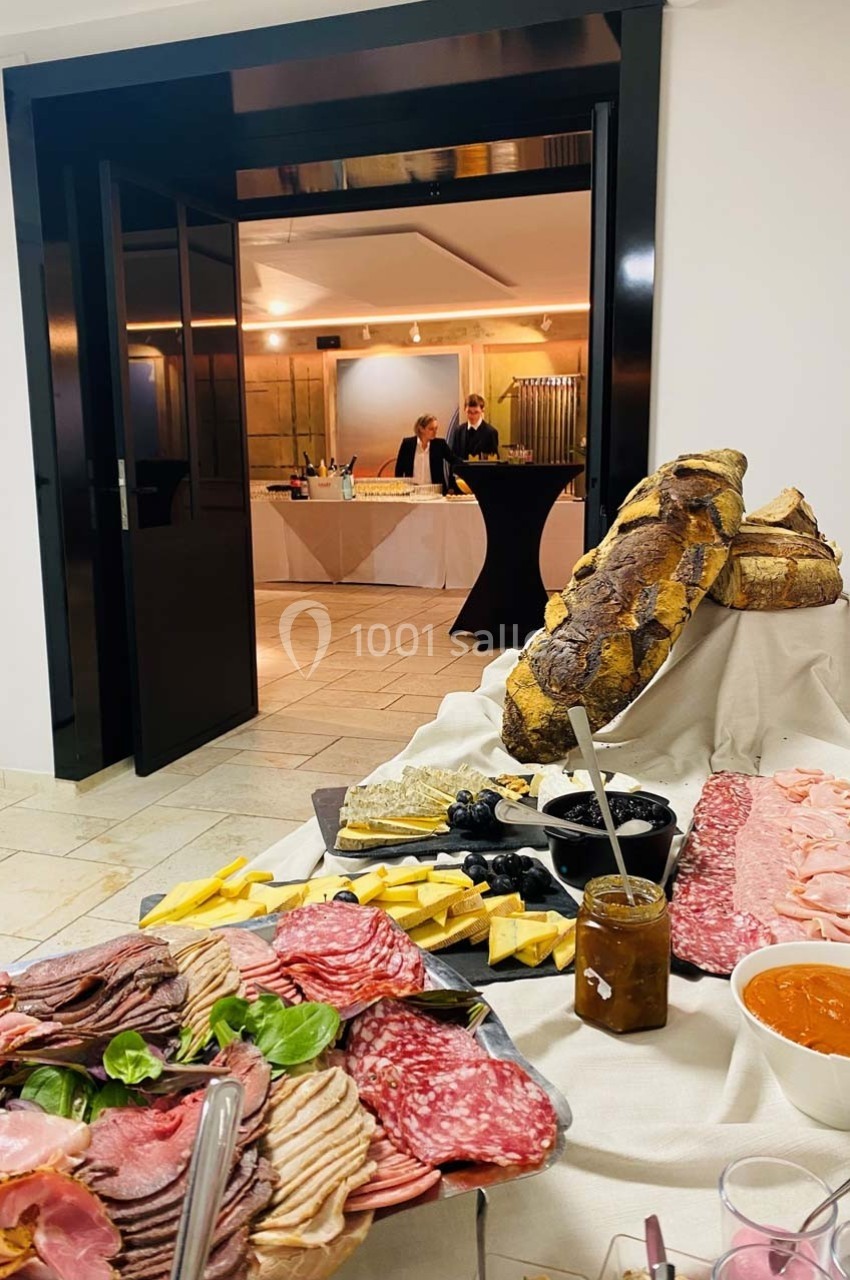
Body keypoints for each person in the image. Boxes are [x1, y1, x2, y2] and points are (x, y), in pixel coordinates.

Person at [395, 414, 458, 494]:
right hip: (412, 493)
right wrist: (400, 489)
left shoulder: (440, 444)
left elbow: (454, 462)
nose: (435, 432)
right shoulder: (407, 444)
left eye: (436, 428)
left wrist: (451, 485)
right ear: (421, 429)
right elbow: (399, 469)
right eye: (431, 429)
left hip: (436, 493)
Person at [446, 393, 500, 460]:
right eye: (469, 412)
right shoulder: (458, 431)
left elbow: (494, 461)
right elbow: (453, 458)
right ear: (464, 410)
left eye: (476, 412)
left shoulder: (491, 432)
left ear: (482, 410)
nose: (472, 416)